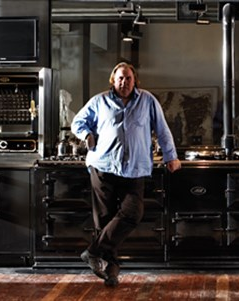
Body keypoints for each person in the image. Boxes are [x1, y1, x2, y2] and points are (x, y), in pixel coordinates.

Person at [71, 62, 181, 287]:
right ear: (113, 80)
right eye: (120, 78)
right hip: (103, 167)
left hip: (134, 169)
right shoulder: (99, 101)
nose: (124, 82)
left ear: (135, 80)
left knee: (133, 212)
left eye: (128, 78)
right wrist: (87, 135)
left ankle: (93, 252)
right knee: (105, 221)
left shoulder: (148, 100)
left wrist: (171, 156)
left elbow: (162, 129)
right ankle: (111, 272)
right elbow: (77, 122)